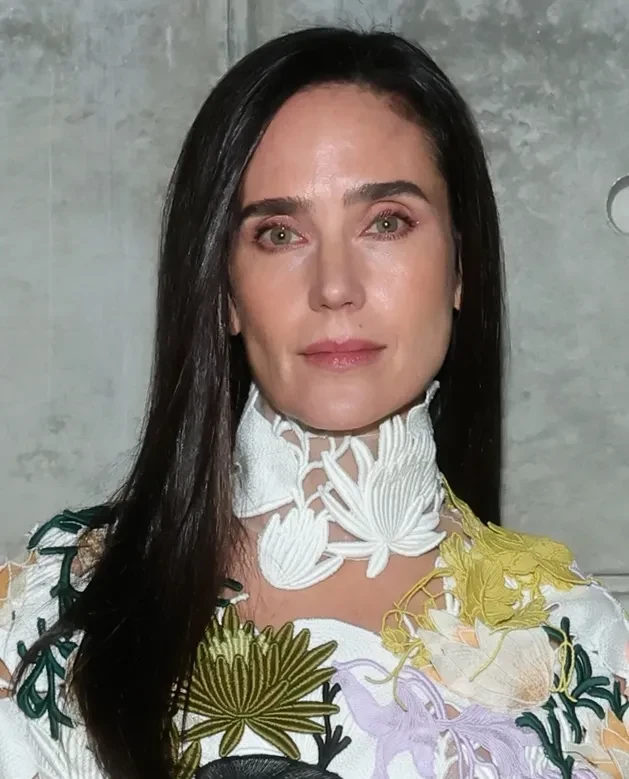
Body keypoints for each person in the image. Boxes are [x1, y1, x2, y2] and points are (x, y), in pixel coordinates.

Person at [0, 25, 626, 779]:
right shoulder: (57, 606)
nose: (335, 286)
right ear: (225, 290)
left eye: (386, 222)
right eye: (279, 234)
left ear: (460, 265)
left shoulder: (575, 648)